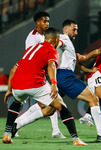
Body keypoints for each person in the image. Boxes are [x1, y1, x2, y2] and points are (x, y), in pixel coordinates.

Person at [10, 19, 101, 140]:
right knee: (93, 99)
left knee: (48, 110)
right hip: (65, 76)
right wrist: (52, 46)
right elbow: (57, 44)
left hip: (60, 76)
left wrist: (89, 70)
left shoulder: (69, 43)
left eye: (77, 29)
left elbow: (73, 62)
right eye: (74, 29)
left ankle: (16, 125)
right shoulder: (63, 38)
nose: (76, 32)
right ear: (65, 30)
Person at [2, 28, 86, 145]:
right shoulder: (52, 50)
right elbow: (51, 65)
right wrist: (54, 84)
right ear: (56, 40)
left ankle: (6, 135)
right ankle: (75, 139)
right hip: (35, 83)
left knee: (16, 103)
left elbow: (13, 70)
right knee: (61, 106)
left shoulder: (31, 49)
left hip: (17, 84)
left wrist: (9, 90)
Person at [15, 11, 66, 139]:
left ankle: (16, 124)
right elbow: (31, 56)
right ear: (37, 22)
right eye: (44, 21)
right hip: (33, 75)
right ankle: (17, 124)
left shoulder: (44, 36)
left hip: (41, 73)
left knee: (48, 102)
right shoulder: (33, 37)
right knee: (52, 100)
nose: (47, 23)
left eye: (48, 21)